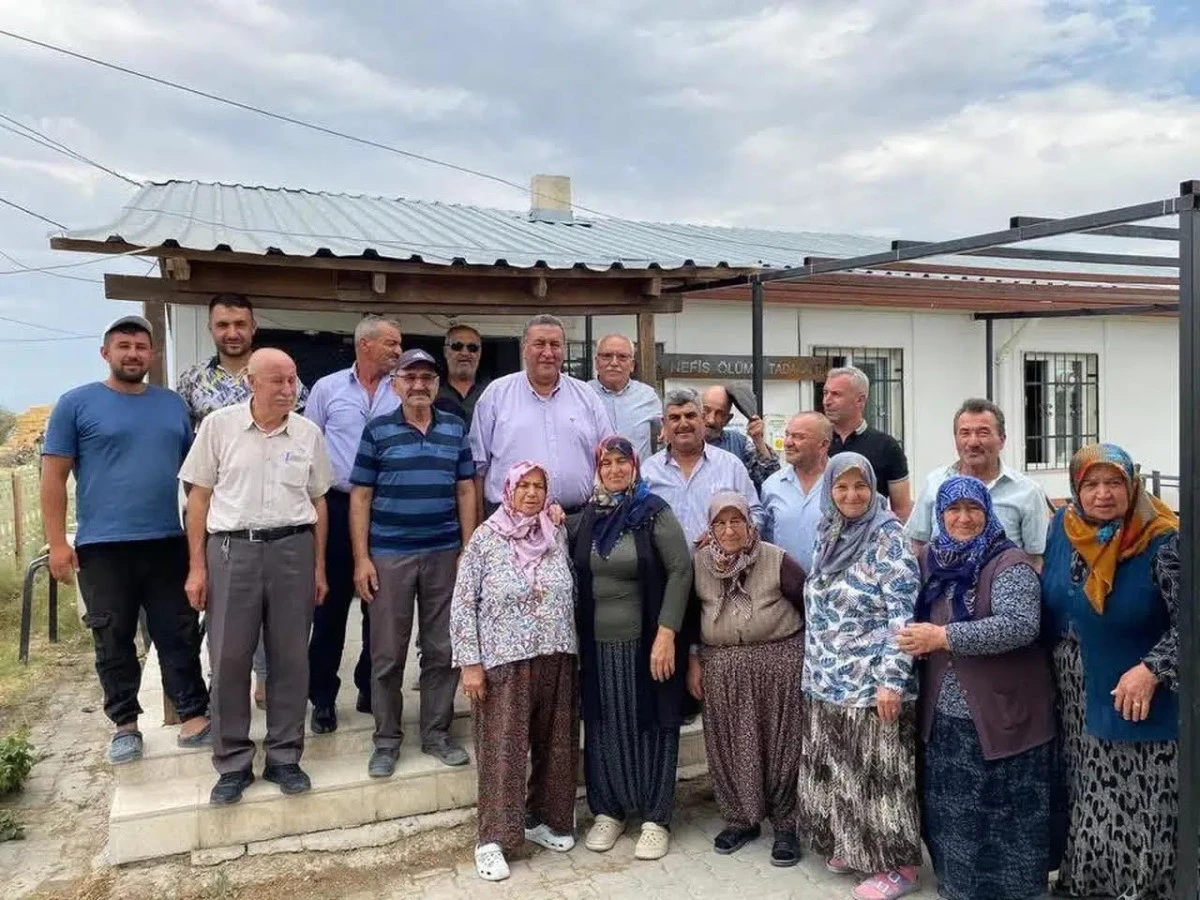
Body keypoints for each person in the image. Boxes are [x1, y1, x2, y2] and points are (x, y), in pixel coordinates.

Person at [41, 314, 210, 764]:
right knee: (112, 637)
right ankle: (125, 725)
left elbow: (195, 479)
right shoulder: (76, 404)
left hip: (166, 540)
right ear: (106, 353)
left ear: (152, 354)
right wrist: (57, 543)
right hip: (102, 546)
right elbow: (53, 477)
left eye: (140, 347)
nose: (133, 354)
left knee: (178, 631)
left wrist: (202, 538)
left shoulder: (171, 405)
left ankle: (194, 715)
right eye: (124, 346)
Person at [178, 348, 333, 806]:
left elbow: (319, 500)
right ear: (251, 381)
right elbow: (198, 499)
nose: (288, 390)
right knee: (228, 657)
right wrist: (196, 567)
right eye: (277, 381)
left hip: (293, 549)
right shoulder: (218, 427)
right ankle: (232, 763)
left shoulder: (307, 433)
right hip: (232, 551)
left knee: (290, 658)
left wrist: (319, 566)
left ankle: (285, 757)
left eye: (292, 380)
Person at [897, 476, 1054, 900]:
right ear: (939, 514)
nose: (963, 518)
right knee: (952, 810)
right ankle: (958, 887)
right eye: (953, 509)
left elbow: (1020, 625)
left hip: (1001, 712)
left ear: (988, 512)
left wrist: (944, 637)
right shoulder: (932, 559)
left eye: (973, 509)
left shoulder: (1008, 562)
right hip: (944, 713)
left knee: (1005, 811)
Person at [1040, 443, 1179, 900]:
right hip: (1075, 686)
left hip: (1137, 688)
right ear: (1076, 489)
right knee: (1088, 789)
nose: (1103, 494)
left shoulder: (1162, 539)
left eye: (1114, 482)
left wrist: (1152, 669)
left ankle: (1145, 888)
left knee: (1142, 794)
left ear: (1132, 485)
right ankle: (1091, 883)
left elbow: (1193, 621)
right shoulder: (1063, 527)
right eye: (1092, 484)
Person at [797, 452, 922, 900]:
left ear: (874, 489)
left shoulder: (888, 537)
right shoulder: (829, 532)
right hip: (829, 679)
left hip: (872, 683)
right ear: (830, 490)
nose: (851, 495)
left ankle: (899, 867)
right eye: (842, 487)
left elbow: (903, 617)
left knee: (882, 777)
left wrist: (892, 680)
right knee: (843, 770)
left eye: (861, 486)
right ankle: (854, 846)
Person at [176, 292, 310, 708]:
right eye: (223, 325)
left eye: (239, 324)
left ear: (253, 327)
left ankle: (266, 680)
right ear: (211, 329)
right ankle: (225, 690)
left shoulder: (284, 377)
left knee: (275, 614)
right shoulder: (192, 381)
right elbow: (184, 447)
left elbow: (299, 439)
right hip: (220, 515)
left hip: (276, 513)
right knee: (225, 614)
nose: (232, 332)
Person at [350, 349, 478, 774]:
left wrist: (467, 548)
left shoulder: (454, 428)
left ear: (437, 385)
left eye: (427, 378)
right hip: (390, 556)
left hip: (444, 553)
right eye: (410, 377)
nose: (419, 385)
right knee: (387, 653)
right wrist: (362, 558)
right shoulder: (377, 431)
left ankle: (436, 734)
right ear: (396, 385)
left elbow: (465, 489)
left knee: (442, 648)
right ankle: (386, 740)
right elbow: (361, 496)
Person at [449, 463, 579, 882]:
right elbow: (463, 603)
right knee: (503, 751)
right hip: (504, 661)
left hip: (556, 652)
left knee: (555, 744)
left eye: (539, 486)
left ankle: (545, 819)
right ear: (508, 489)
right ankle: (493, 840)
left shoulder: (555, 533)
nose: (531, 493)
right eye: (523, 485)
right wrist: (470, 663)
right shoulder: (486, 538)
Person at [568, 436, 694, 861]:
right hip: (598, 648)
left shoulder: (652, 512)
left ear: (635, 466)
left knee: (652, 723)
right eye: (606, 463)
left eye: (622, 462)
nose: (615, 470)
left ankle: (656, 818)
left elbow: (680, 570)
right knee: (605, 724)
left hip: (647, 645)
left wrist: (667, 633)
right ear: (597, 469)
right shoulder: (588, 516)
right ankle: (610, 810)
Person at [687, 492, 806, 867]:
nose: (729, 530)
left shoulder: (776, 559)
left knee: (783, 746)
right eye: (720, 523)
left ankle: (786, 824)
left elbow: (809, 604)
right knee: (729, 746)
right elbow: (690, 616)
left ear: (750, 523)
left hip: (778, 664)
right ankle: (740, 819)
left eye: (736, 520)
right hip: (722, 666)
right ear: (710, 528)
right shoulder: (700, 563)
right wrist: (693, 660)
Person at [304, 315, 402, 732]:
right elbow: (308, 445)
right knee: (329, 607)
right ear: (366, 345)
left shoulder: (401, 389)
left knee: (379, 606)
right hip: (337, 505)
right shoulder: (327, 389)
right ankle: (322, 697)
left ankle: (368, 685)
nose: (398, 351)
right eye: (391, 343)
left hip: (387, 507)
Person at [470, 314, 614, 516]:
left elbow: (609, 455)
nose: (548, 352)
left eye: (555, 345)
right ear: (524, 349)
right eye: (539, 344)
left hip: (577, 521)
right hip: (511, 523)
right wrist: (479, 525)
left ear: (563, 350)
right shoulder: (496, 394)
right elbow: (478, 467)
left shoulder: (586, 396)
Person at [906, 398, 1049, 564]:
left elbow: (1035, 558)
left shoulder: (1028, 492)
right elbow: (917, 544)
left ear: (1002, 439)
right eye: (965, 433)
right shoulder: (935, 483)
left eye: (983, 433)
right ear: (956, 439)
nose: (973, 442)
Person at [641, 388, 763, 547]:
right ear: (664, 424)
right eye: (675, 418)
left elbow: (756, 514)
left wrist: (726, 534)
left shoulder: (730, 466)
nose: (683, 423)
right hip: (662, 563)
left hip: (719, 561)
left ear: (703, 418)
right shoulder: (648, 471)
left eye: (690, 416)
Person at [822, 366, 912, 520]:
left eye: (836, 394)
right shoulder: (818, 444)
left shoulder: (886, 446)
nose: (827, 401)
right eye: (825, 393)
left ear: (860, 400)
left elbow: (902, 509)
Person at [760, 411, 831, 573]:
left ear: (823, 445)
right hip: (784, 585)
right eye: (787, 435)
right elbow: (765, 541)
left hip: (833, 585)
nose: (788, 443)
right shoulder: (772, 486)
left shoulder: (842, 484)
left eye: (799, 437)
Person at [588, 334, 662, 461]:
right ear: (596, 363)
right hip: (593, 473)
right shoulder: (583, 395)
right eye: (607, 356)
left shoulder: (648, 396)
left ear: (632, 365)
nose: (614, 363)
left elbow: (667, 432)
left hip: (639, 473)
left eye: (622, 357)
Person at [700, 385, 779, 488]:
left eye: (719, 414)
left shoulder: (739, 443)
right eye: (706, 410)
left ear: (728, 419)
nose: (711, 420)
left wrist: (758, 440)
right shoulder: (682, 442)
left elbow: (771, 480)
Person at [434, 323, 487, 427]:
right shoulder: (432, 390)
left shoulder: (492, 392)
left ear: (479, 353)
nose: (465, 353)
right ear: (445, 351)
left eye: (472, 348)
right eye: (457, 346)